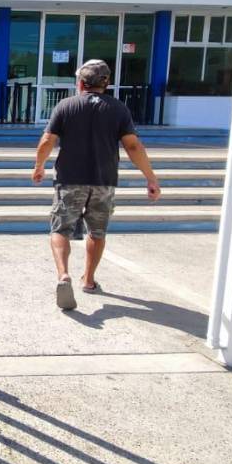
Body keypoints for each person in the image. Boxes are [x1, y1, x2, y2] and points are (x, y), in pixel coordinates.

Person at [32, 59, 160, 311]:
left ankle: (63, 275)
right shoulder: (119, 109)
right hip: (104, 181)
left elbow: (47, 141)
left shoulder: (66, 106)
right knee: (97, 232)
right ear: (106, 83)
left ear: (80, 83)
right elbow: (133, 146)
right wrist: (150, 178)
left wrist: (39, 166)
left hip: (69, 180)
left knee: (60, 229)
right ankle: (89, 280)